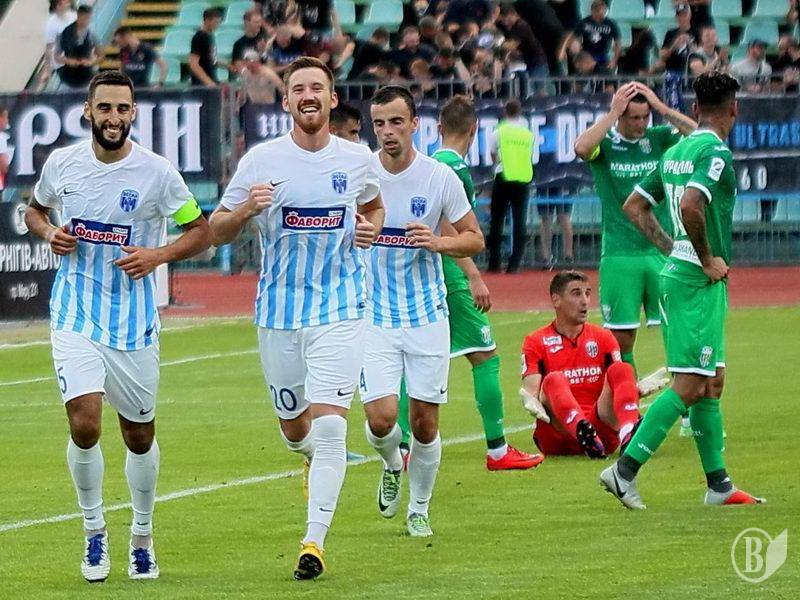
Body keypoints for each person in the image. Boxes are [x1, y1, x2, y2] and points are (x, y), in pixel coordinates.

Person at [24, 71, 212, 581]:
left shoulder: (158, 173)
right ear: (88, 111)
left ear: (133, 113)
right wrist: (48, 232)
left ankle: (142, 535)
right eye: (104, 108)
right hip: (75, 313)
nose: (113, 118)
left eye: (122, 109)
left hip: (133, 324)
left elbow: (200, 232)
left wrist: (157, 255)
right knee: (85, 423)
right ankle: (93, 533)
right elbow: (35, 210)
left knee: (139, 435)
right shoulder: (63, 163)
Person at [209, 57, 384, 580]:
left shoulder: (357, 159)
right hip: (279, 312)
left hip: (340, 308)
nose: (308, 95)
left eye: (317, 88)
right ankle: (307, 456)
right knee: (294, 430)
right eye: (299, 89)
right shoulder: (261, 162)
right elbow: (216, 229)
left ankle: (313, 542)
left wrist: (371, 227)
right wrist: (246, 210)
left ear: (332, 99)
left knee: (330, 427)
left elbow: (374, 207)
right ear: (285, 101)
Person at [601, 70, 764, 509]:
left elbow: (634, 205)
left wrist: (671, 248)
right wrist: (704, 256)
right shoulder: (713, 152)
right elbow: (692, 205)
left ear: (695, 108)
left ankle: (719, 485)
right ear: (734, 109)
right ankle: (624, 471)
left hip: (688, 274)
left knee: (711, 381)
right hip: (696, 279)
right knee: (690, 384)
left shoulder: (676, 151)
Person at [359, 85, 484, 537]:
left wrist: (438, 242)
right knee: (381, 420)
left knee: (424, 423)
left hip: (427, 315)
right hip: (373, 314)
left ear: (415, 125)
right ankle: (393, 463)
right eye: (379, 123)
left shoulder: (439, 178)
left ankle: (419, 508)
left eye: (396, 122)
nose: (388, 131)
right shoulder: (361, 174)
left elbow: (474, 238)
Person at [396, 95, 543, 471]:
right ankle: (497, 450)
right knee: (485, 355)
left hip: (424, 275)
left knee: (413, 361)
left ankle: (402, 447)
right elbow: (448, 227)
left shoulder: (428, 163)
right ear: (475, 130)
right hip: (449, 275)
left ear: (438, 128)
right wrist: (474, 275)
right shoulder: (452, 169)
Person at [574, 82, 696, 376]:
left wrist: (662, 108)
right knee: (620, 339)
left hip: (661, 250)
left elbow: (700, 137)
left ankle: (685, 398)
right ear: (621, 116)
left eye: (645, 117)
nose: (641, 124)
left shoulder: (660, 138)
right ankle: (627, 398)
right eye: (634, 118)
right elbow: (581, 148)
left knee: (678, 329)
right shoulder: (605, 145)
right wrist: (612, 113)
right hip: (620, 253)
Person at [520, 271, 642, 458]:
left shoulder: (603, 337)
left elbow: (618, 383)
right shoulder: (536, 341)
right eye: (576, 294)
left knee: (622, 369)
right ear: (556, 300)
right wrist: (531, 400)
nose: (585, 301)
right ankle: (581, 430)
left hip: (601, 430)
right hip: (558, 434)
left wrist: (632, 390)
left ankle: (628, 431)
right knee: (554, 379)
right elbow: (532, 392)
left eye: (587, 293)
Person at [487, 99, 534, 273]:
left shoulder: (499, 131)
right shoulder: (527, 134)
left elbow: (493, 154)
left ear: (505, 112)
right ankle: (514, 264)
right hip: (522, 178)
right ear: (520, 112)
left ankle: (494, 263)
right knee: (519, 221)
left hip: (503, 175)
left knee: (497, 220)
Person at [559, 0, 621, 70]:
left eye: (600, 11)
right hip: (586, 55)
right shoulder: (584, 22)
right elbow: (572, 36)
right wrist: (564, 50)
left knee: (605, 70)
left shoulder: (611, 24)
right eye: (596, 10)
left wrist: (615, 59)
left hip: (602, 56)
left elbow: (617, 43)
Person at [56, 4, 102, 90]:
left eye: (88, 18)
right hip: (69, 75)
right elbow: (57, 56)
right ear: (78, 15)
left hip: (87, 75)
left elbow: (100, 56)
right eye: (84, 17)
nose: (86, 21)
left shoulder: (92, 35)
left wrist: (91, 61)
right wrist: (67, 60)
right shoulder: (64, 34)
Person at [660, 4, 695, 111]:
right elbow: (662, 56)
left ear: (689, 15)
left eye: (684, 15)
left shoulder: (696, 32)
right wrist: (674, 46)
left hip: (691, 73)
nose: (682, 18)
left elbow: (702, 53)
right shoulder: (671, 33)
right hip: (674, 72)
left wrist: (691, 45)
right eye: (679, 15)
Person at [39, 0, 77, 91]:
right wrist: (47, 70)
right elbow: (49, 48)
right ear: (58, 5)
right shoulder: (51, 24)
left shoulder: (74, 16)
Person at [189, 7, 223, 87]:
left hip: (211, 81)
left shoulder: (210, 36)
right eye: (216, 22)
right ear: (207, 20)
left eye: (219, 22)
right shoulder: (199, 37)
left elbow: (210, 59)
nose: (218, 25)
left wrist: (229, 66)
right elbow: (193, 64)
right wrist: (208, 82)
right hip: (201, 85)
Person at [231, 9, 267, 74]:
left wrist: (263, 51)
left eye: (260, 22)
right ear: (247, 23)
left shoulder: (264, 37)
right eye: (256, 22)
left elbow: (269, 62)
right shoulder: (239, 45)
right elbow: (238, 68)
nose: (259, 24)